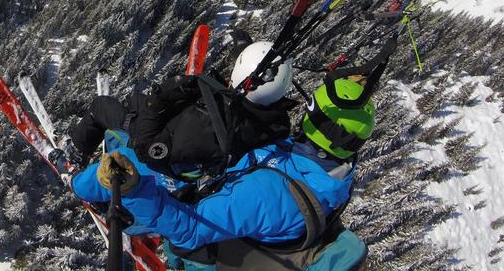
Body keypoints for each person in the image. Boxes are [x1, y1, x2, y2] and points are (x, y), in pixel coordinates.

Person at [72, 78, 374, 271]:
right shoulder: (335, 171)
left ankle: (78, 183)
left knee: (127, 161)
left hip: (209, 245)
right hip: (247, 225)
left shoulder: (269, 192)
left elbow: (190, 228)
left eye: (311, 109)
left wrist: (133, 189)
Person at [51, 41, 296, 180]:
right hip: (179, 129)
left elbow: (148, 149)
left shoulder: (206, 127)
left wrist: (158, 102)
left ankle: (75, 157)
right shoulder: (272, 123)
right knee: (136, 100)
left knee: (101, 106)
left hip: (157, 142)